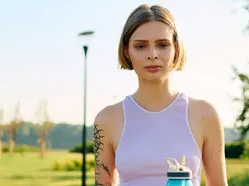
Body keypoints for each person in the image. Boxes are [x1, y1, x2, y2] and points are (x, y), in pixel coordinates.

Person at [93, 4, 228, 186]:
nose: (153, 54)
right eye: (141, 46)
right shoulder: (107, 119)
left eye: (162, 45)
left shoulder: (205, 114)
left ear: (176, 49)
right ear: (127, 51)